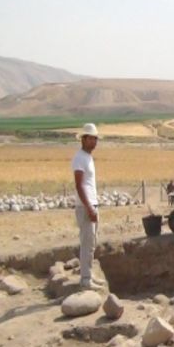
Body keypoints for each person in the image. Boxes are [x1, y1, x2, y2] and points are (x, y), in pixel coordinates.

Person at [71, 123, 104, 290]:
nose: (94, 142)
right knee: (87, 242)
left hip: (92, 204)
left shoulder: (88, 157)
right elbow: (79, 185)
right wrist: (89, 207)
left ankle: (89, 275)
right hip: (85, 206)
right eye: (91, 138)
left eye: (96, 139)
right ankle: (85, 280)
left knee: (92, 243)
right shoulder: (79, 158)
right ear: (83, 139)